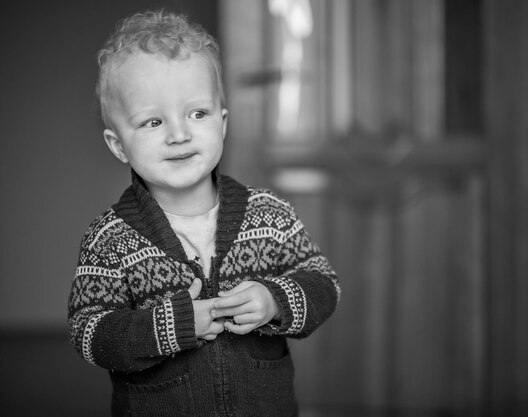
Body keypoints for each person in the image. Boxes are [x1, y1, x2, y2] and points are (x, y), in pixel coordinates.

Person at [67, 9, 340, 417]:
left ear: (223, 122)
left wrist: (275, 300)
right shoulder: (110, 238)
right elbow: (89, 332)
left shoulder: (270, 216)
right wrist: (167, 327)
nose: (179, 134)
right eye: (153, 121)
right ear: (118, 144)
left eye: (198, 113)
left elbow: (325, 285)